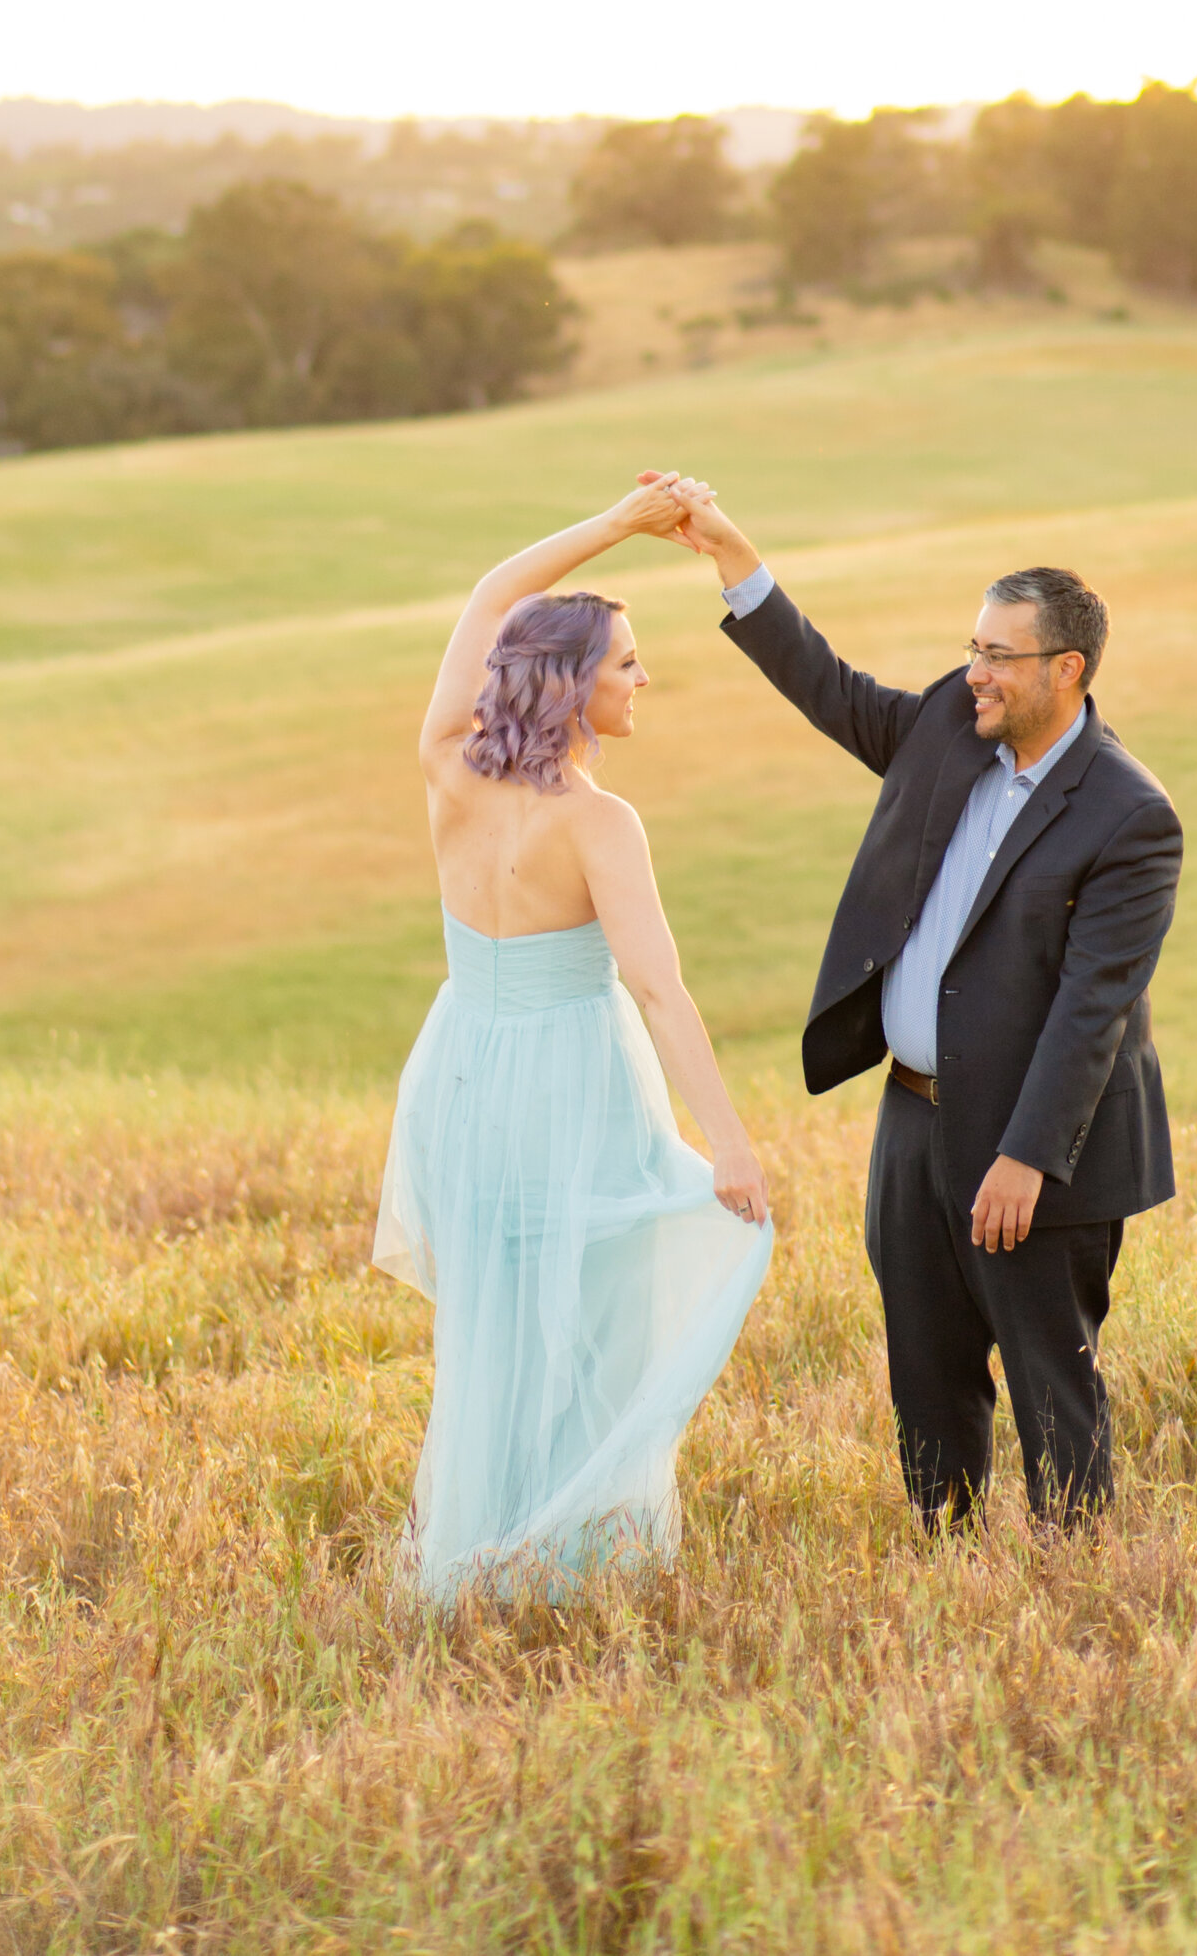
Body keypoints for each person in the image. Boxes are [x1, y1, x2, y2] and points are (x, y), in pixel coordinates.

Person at [665, 479, 1180, 1528]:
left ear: (1065, 670)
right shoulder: (951, 729)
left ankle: (1080, 1589)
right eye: (973, 647)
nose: (973, 671)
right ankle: (942, 1567)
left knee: (1052, 1387)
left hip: (1040, 1152)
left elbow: (1094, 1010)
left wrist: (1026, 1157)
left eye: (998, 655)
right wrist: (729, 553)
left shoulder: (1131, 817)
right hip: (912, 1121)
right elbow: (831, 688)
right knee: (925, 1375)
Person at [373, 481, 774, 1604]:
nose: (645, 680)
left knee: (496, 1322)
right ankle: (563, 1561)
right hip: (571, 1075)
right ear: (574, 684)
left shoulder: (449, 765)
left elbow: (495, 591)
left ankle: (481, 1551)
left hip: (463, 1065)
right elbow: (657, 988)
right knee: (597, 1318)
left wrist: (612, 525)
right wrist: (729, 1145)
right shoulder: (599, 821)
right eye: (628, 664)